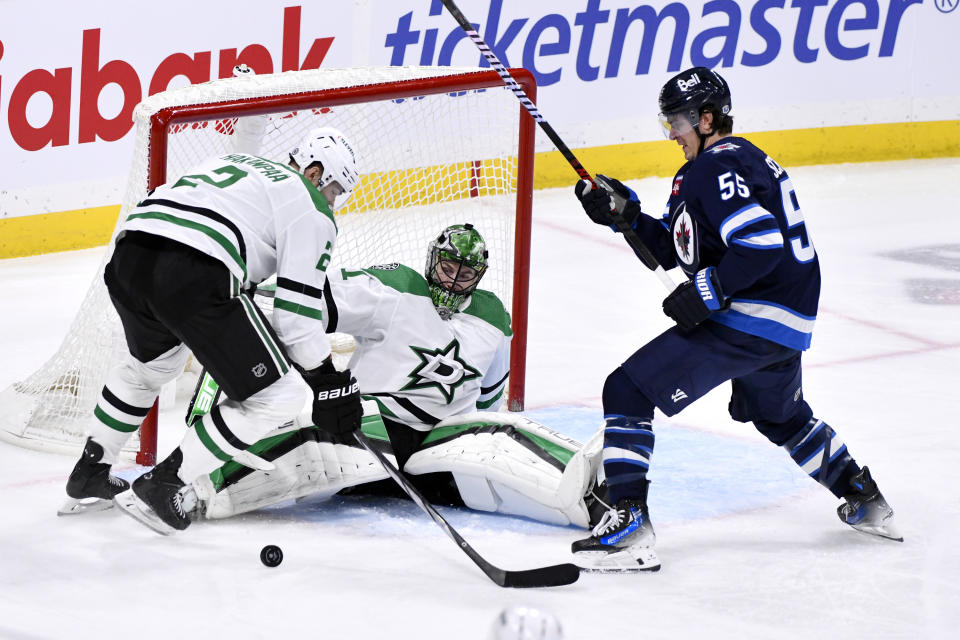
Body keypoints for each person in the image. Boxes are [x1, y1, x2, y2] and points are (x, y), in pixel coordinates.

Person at [571, 66, 902, 572]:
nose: (672, 134)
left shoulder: (716, 165)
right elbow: (685, 250)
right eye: (668, 123)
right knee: (780, 416)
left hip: (751, 315)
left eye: (678, 122)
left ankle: (630, 522)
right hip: (782, 323)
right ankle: (863, 495)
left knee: (627, 391)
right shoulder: (723, 165)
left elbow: (760, 246)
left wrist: (708, 293)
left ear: (707, 118)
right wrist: (628, 217)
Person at [182, 224, 603, 529]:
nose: (453, 280)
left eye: (465, 273)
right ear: (431, 259)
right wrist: (254, 296)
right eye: (447, 267)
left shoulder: (494, 316)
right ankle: (199, 494)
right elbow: (311, 300)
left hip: (440, 441)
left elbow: (492, 392)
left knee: (505, 433)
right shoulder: (396, 287)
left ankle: (598, 495)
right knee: (313, 437)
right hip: (374, 432)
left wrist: (482, 423)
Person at [62, 126, 365, 535]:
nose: (332, 202)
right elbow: (295, 321)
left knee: (148, 370)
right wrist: (326, 375)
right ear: (314, 172)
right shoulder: (309, 205)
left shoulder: (236, 164)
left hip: (130, 255)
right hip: (192, 269)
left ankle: (90, 471)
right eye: (334, 190)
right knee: (280, 395)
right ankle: (165, 482)